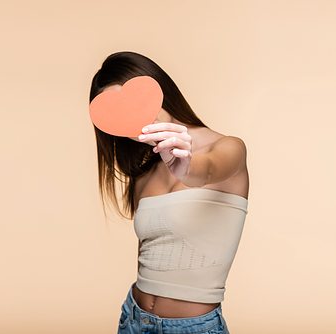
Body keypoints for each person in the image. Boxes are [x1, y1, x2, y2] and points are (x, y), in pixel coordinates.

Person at [89, 51, 249, 334]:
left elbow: (208, 169)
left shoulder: (227, 148)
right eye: (117, 113)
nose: (131, 117)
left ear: (159, 91)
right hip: (133, 319)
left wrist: (186, 167)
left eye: (134, 103)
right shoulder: (143, 175)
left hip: (194, 328)